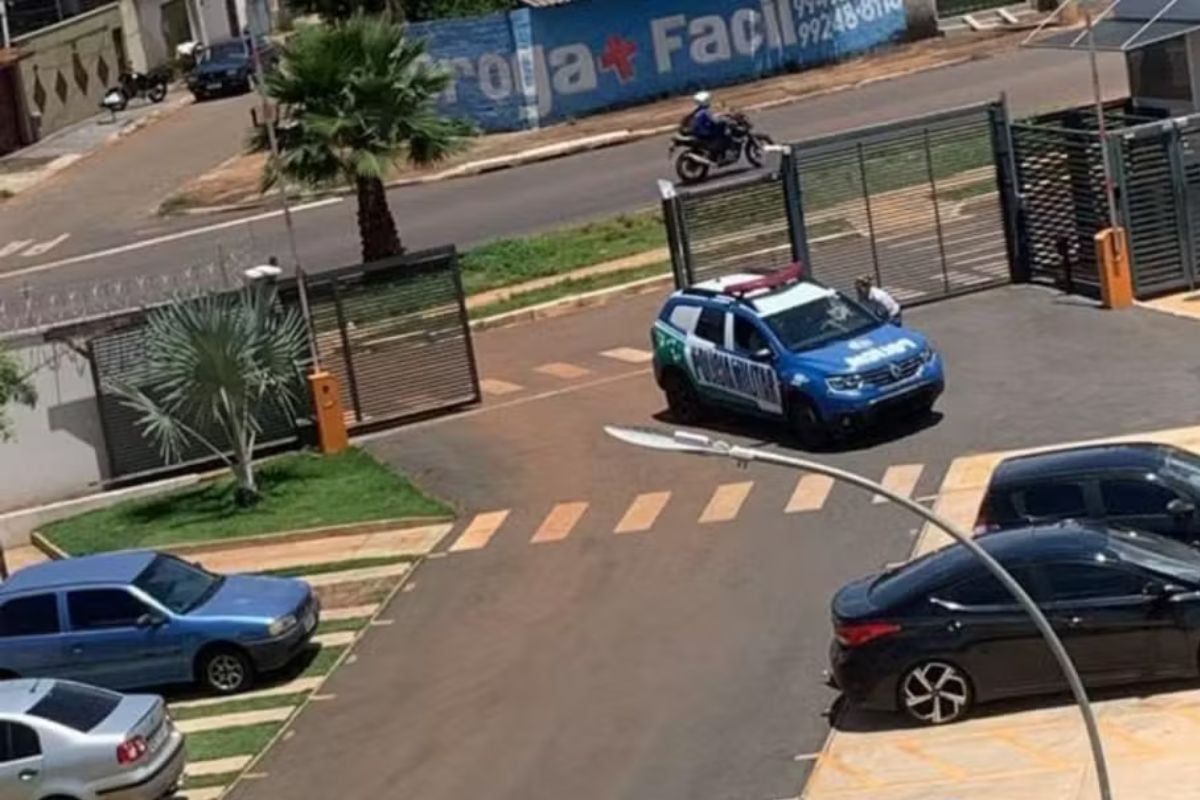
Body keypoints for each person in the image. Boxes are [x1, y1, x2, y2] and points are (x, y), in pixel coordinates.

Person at [687, 91, 730, 156]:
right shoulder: (705, 111)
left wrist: (720, 115)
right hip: (704, 130)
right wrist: (724, 119)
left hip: (699, 129)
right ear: (705, 101)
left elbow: (711, 117)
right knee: (722, 127)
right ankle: (718, 147)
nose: (710, 101)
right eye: (708, 100)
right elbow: (715, 120)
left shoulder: (700, 110)